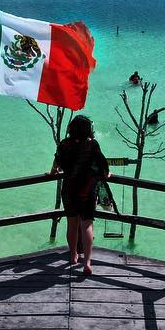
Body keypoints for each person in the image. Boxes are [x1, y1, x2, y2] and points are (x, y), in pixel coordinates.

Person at [53, 115, 108, 275]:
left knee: (72, 224)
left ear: (71, 128)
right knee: (87, 225)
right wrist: (107, 174)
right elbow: (101, 165)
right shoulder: (92, 144)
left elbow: (58, 160)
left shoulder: (64, 144)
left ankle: (72, 256)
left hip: (69, 189)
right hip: (87, 190)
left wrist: (52, 172)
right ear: (88, 129)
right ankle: (87, 263)